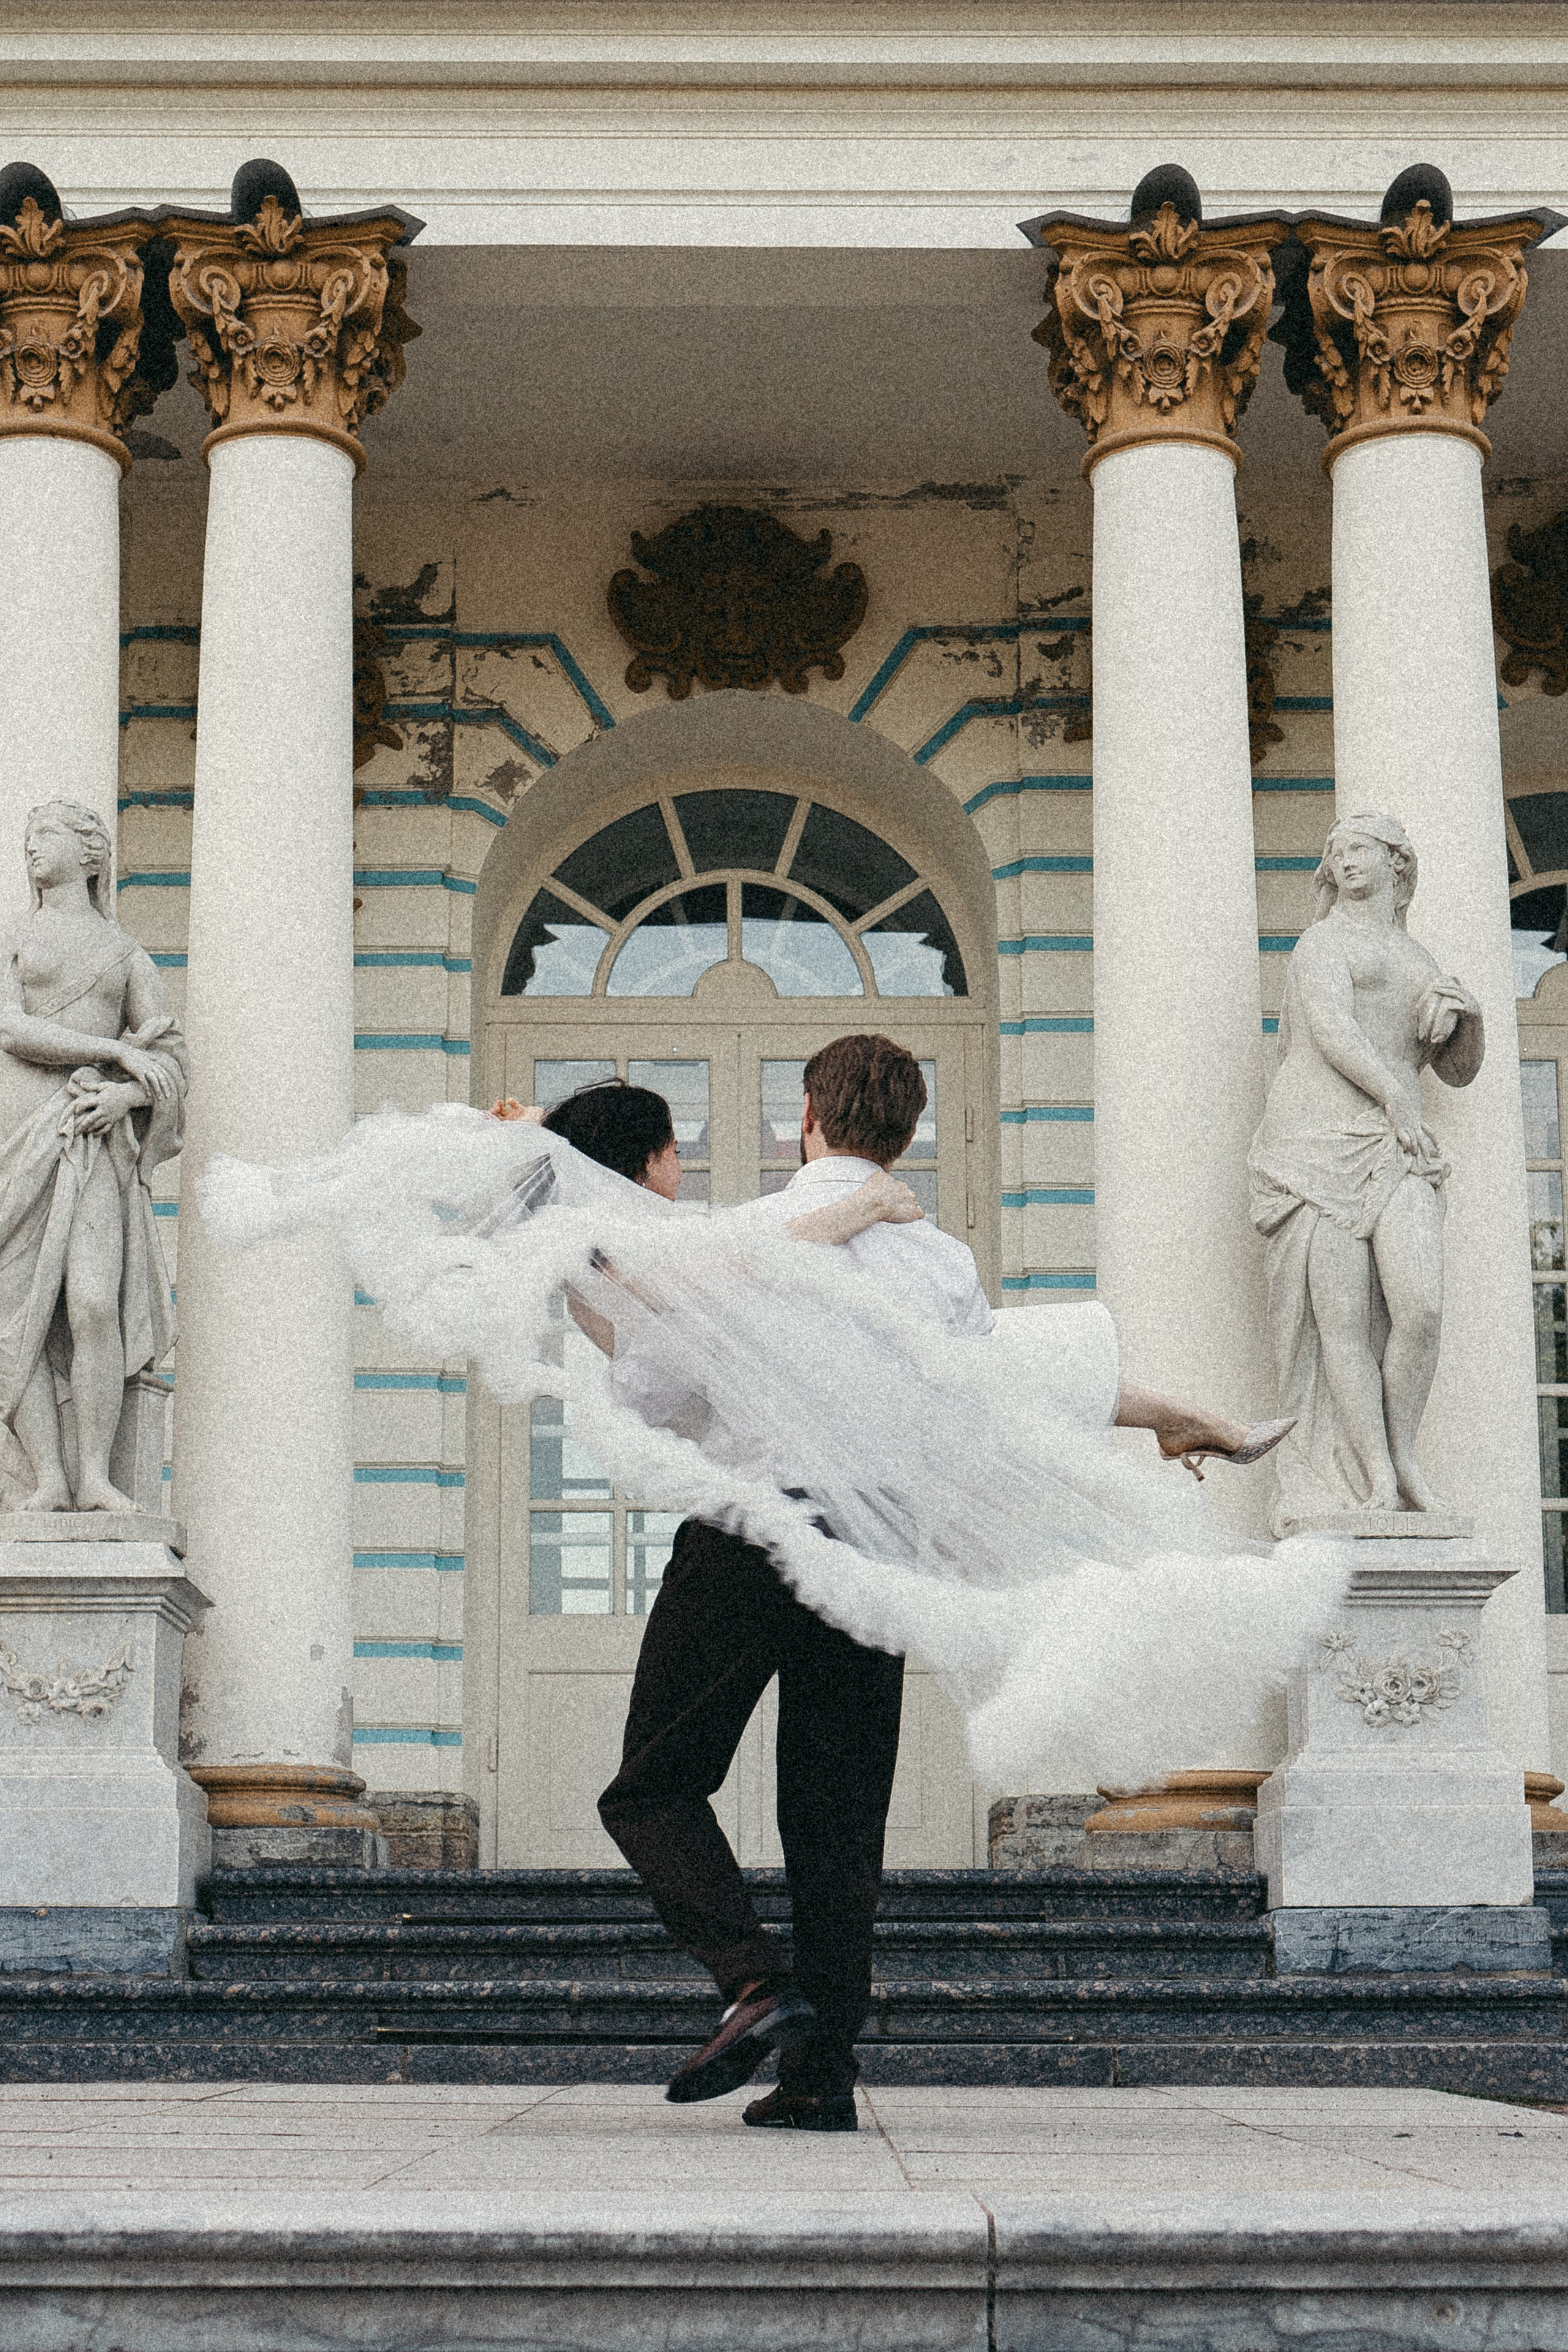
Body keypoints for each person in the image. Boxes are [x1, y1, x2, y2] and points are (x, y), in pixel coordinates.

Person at [503, 1040, 1293, 2133]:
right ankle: (821, 2079)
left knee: (651, 1785)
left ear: (806, 1122)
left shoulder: (739, 1239)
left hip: (748, 1530)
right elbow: (987, 1394)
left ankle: (753, 1978)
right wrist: (1157, 1416)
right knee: (838, 1821)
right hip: (876, 1544)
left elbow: (659, 1393)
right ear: (907, 1132)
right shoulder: (940, 1263)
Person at [1248, 814, 1482, 1530]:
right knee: (1339, 1323)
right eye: (1335, 852)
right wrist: (1393, 1097)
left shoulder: (1420, 960)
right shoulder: (1322, 942)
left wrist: (1469, 1018)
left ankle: (1404, 1455)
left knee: (1421, 1309)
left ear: (1396, 862)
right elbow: (1330, 1028)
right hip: (1315, 1143)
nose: (1343, 861)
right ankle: (1378, 1477)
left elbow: (1458, 1071)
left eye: (1358, 849)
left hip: (1396, 1145)